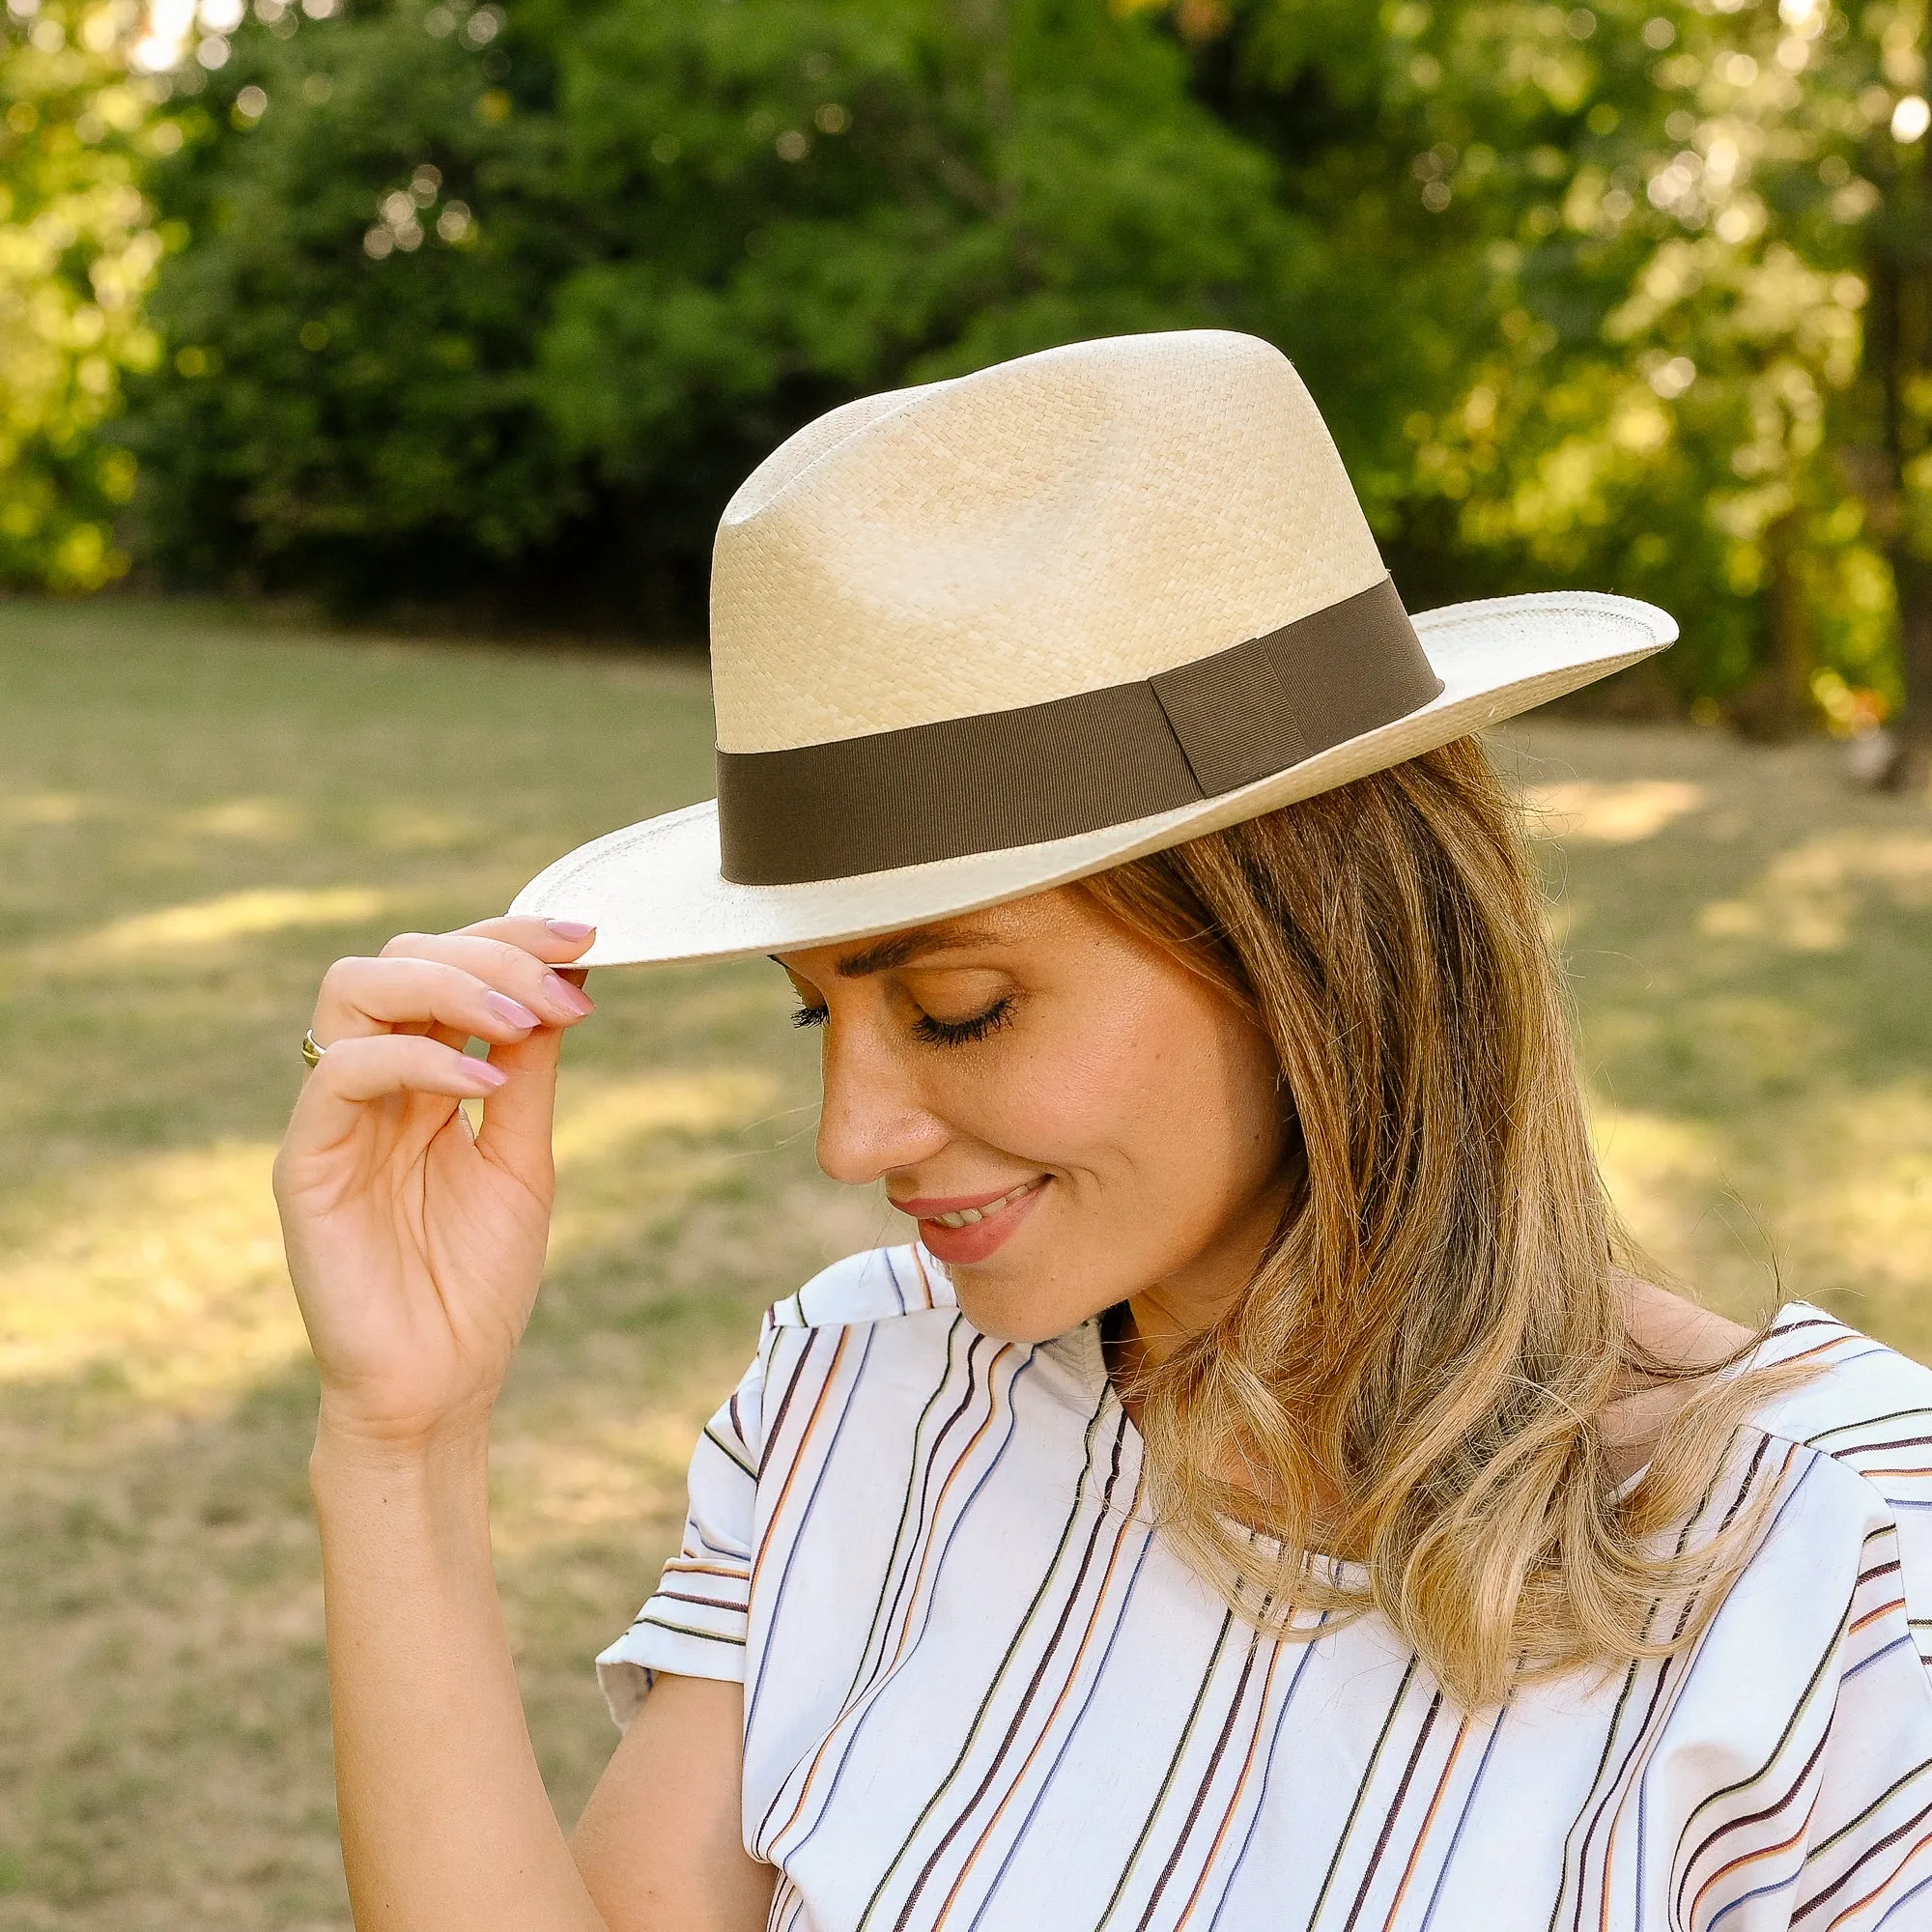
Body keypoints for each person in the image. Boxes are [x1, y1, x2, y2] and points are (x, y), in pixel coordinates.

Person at [274, 332, 1932, 1932]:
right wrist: (402, 1438)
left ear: (1315, 949)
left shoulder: (1848, 1577)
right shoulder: (861, 1397)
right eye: (813, 1012)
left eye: (959, 1006)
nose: (852, 1135)